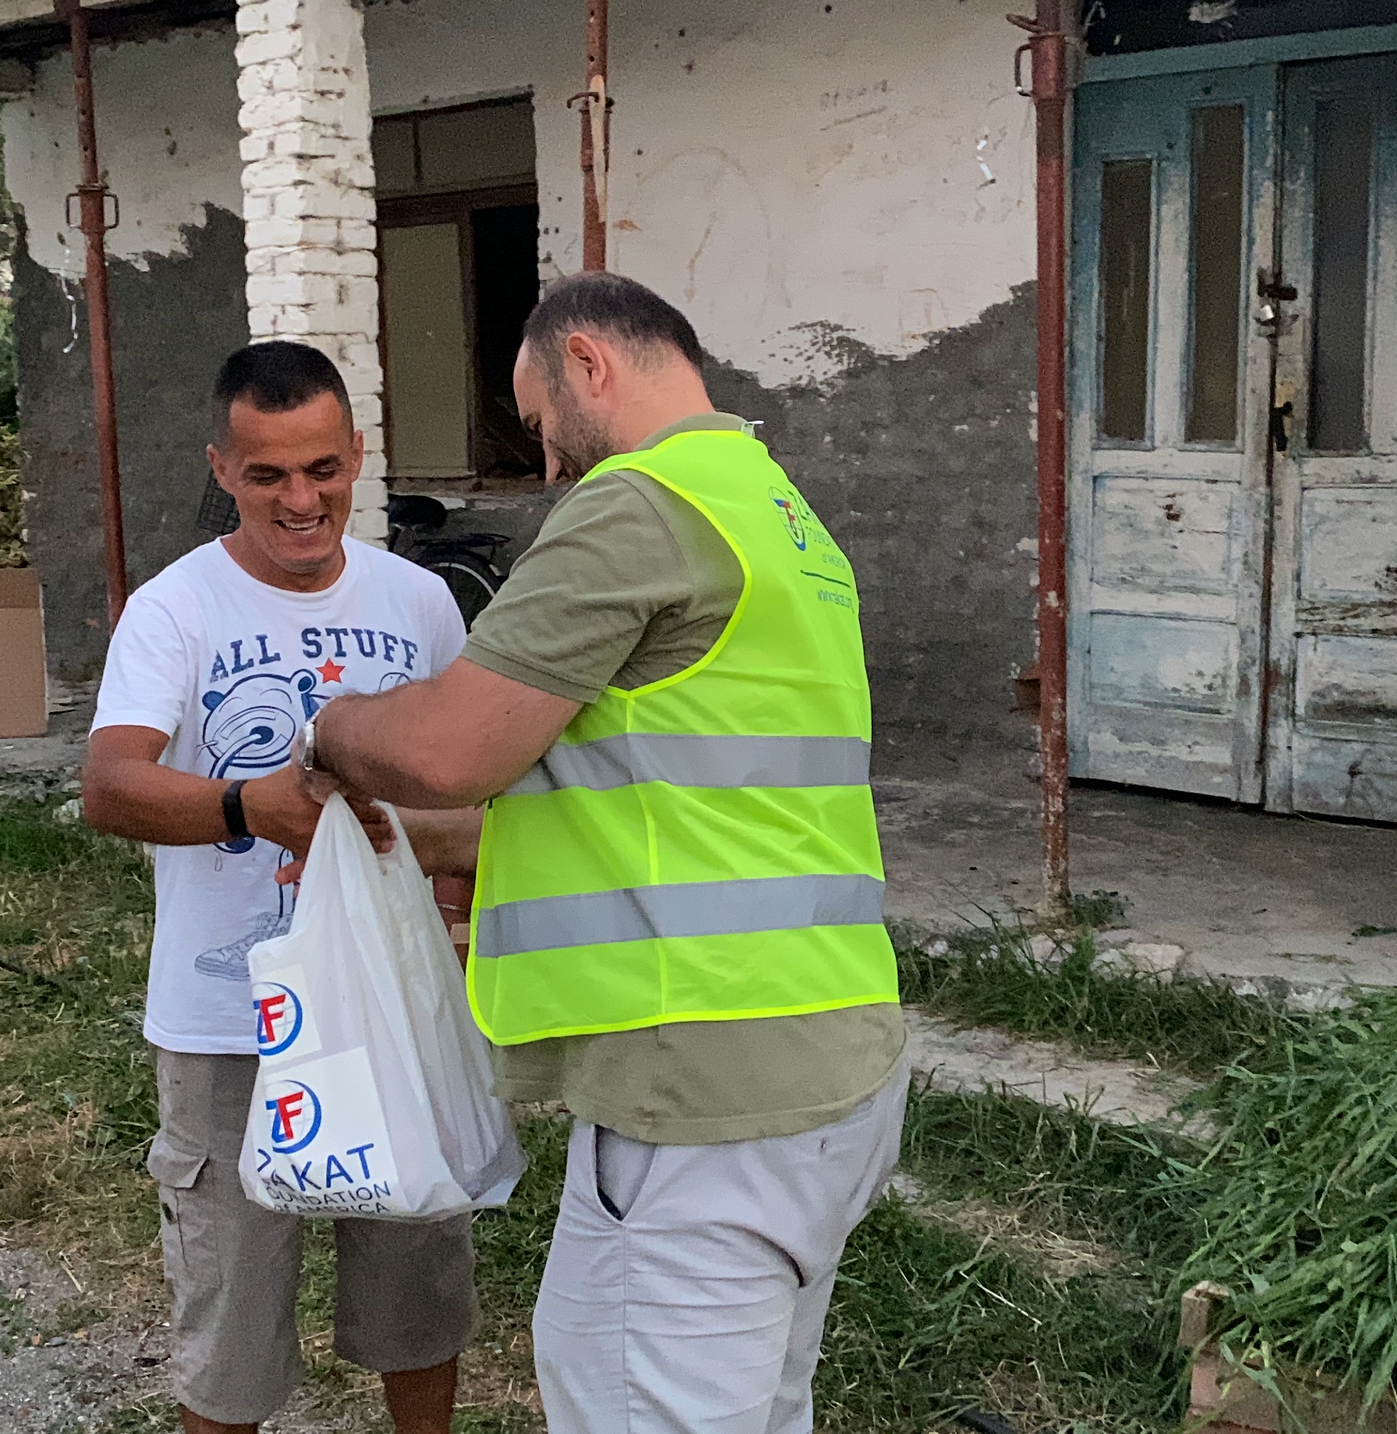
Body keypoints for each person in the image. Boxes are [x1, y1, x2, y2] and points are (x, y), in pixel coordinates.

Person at [290, 272, 906, 1434]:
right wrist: (402, 843)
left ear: (587, 363)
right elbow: (667, 802)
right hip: (828, 1063)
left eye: (538, 426)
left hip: (697, 1090)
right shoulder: (778, 512)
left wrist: (329, 734)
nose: (547, 463)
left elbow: (449, 749)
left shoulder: (638, 504)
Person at [79, 341, 479, 1434]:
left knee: (419, 1293)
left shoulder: (420, 603)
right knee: (232, 1323)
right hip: (226, 1021)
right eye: (267, 475)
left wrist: (455, 924)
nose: (301, 501)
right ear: (222, 468)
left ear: (358, 453)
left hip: (392, 1008)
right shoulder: (175, 609)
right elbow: (109, 785)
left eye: (322, 469)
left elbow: (468, 788)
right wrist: (249, 806)